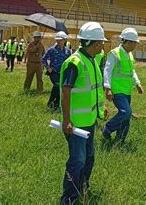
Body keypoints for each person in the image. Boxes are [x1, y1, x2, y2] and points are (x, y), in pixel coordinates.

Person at [59, 22, 109, 204]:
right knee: (77, 160)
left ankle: (82, 186)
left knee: (89, 157)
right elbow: (66, 91)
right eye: (101, 42)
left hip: (89, 120)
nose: (103, 45)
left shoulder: (92, 60)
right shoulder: (75, 62)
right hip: (75, 123)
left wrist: (100, 108)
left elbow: (92, 90)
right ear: (95, 44)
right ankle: (69, 197)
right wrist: (66, 120)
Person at [102, 27, 144, 142]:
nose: (136, 45)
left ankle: (120, 140)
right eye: (134, 43)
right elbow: (107, 70)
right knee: (127, 113)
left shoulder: (129, 55)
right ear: (128, 42)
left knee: (125, 117)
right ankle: (107, 128)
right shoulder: (114, 53)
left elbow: (132, 71)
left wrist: (138, 83)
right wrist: (108, 88)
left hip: (127, 90)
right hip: (117, 90)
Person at [42, 31, 71, 111]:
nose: (58, 42)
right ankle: (50, 104)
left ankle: (56, 105)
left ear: (65, 40)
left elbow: (70, 61)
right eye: (57, 40)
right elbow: (43, 59)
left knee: (60, 88)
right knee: (57, 85)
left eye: (60, 40)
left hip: (63, 73)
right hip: (54, 72)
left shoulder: (68, 51)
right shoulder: (52, 50)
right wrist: (48, 67)